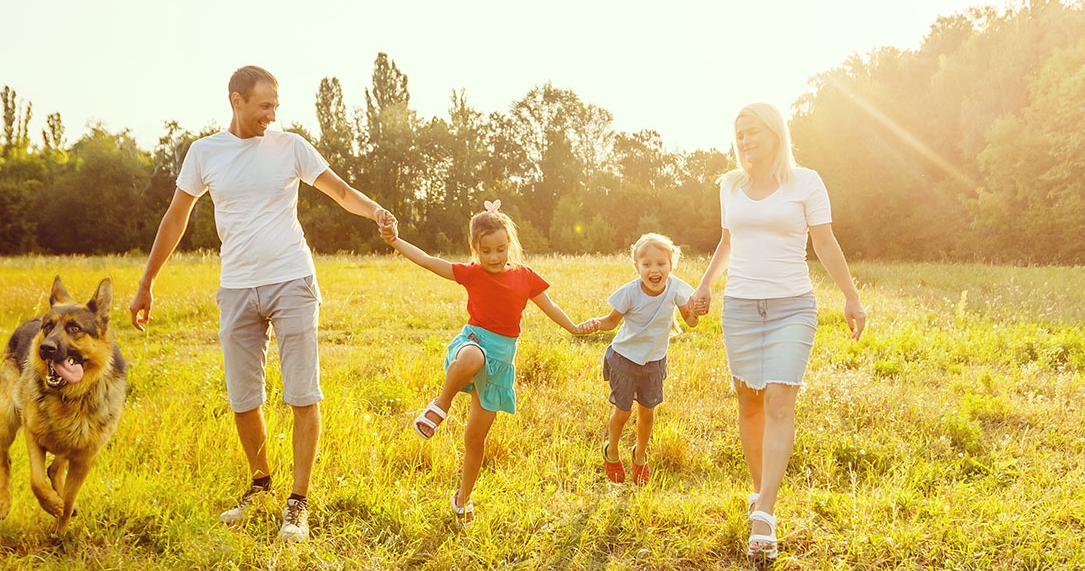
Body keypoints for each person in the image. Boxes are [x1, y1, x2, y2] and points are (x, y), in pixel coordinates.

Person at [127, 65, 395, 542]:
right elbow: (175, 218)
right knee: (243, 398)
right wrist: (147, 281)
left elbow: (340, 191)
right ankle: (261, 487)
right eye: (263, 106)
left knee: (302, 394)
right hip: (235, 289)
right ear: (236, 101)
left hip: (291, 280)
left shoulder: (290, 146)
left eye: (276, 106)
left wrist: (374, 210)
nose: (272, 115)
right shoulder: (204, 152)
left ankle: (298, 503)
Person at [688, 102, 867, 560]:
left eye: (754, 133)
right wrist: (705, 285)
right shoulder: (730, 185)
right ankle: (761, 493)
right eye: (740, 134)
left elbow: (824, 241)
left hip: (793, 306)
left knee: (781, 399)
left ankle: (764, 512)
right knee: (749, 401)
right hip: (742, 307)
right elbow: (728, 242)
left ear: (775, 134)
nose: (746, 141)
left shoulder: (806, 182)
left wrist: (851, 296)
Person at [380, 200, 586, 523]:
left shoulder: (525, 277)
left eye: (501, 249)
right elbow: (427, 260)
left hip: (501, 361)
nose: (494, 257)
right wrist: (395, 241)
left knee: (475, 439)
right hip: (473, 344)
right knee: (474, 357)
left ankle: (463, 499)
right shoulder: (472, 274)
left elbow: (551, 307)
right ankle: (440, 405)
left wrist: (574, 327)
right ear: (475, 248)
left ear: (510, 246)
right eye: (486, 250)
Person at [576, 233, 698, 486]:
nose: (655, 270)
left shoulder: (677, 288)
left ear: (671, 265)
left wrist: (696, 311)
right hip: (624, 359)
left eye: (661, 263)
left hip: (654, 362)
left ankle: (639, 455)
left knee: (648, 413)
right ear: (637, 267)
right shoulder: (629, 292)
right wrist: (595, 323)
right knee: (622, 412)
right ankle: (612, 452)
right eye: (647, 264)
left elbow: (692, 322)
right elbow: (611, 322)